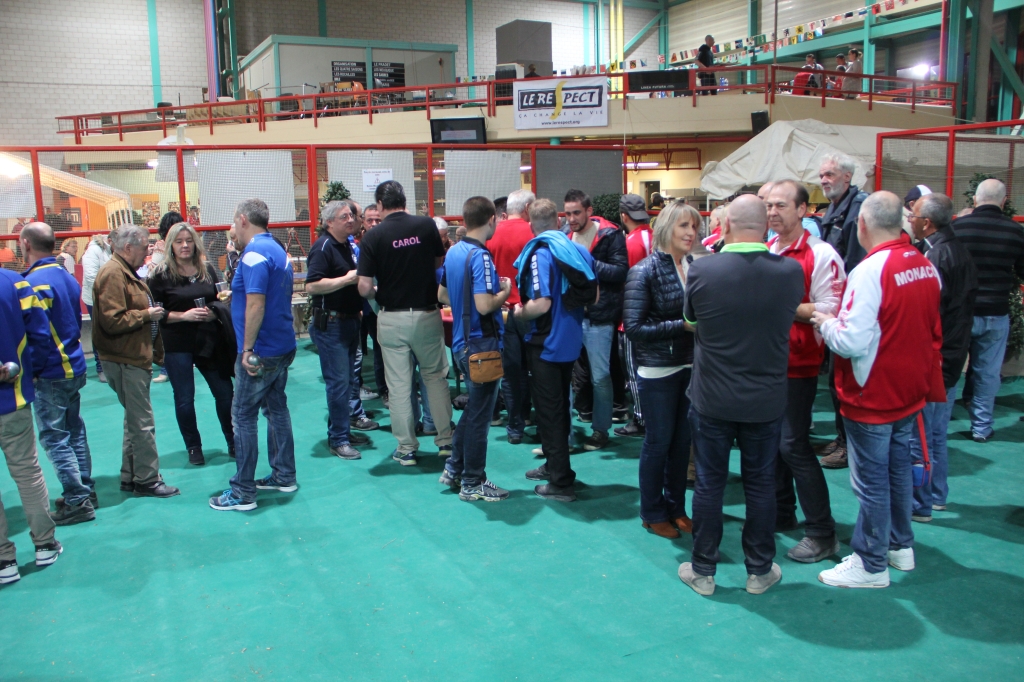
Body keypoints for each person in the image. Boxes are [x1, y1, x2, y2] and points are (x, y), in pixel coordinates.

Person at [813, 191, 944, 588]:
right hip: (909, 391)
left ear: (862, 224)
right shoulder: (924, 264)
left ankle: (870, 564)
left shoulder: (871, 271)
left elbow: (851, 341)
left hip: (872, 395)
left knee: (871, 482)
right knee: (897, 472)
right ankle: (900, 546)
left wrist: (825, 322)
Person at [677, 195, 804, 597]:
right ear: (765, 226)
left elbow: (690, 320)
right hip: (765, 399)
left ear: (726, 224)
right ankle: (759, 570)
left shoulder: (703, 270)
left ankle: (703, 570)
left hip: (712, 398)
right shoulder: (791, 272)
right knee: (761, 484)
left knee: (709, 484)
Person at [765, 181, 846, 562]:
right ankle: (783, 512)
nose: (772, 212)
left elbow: (831, 308)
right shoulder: (769, 248)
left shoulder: (821, 253)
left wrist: (780, 304)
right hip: (768, 363)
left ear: (802, 210)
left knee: (793, 445)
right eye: (768, 206)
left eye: (781, 205)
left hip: (799, 364)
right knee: (773, 444)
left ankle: (822, 532)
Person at [356, 180, 454, 467]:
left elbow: (364, 287)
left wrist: (379, 292)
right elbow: (438, 262)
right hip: (427, 314)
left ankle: (406, 448)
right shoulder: (426, 225)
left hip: (392, 318)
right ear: (404, 200)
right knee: (435, 378)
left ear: (380, 205)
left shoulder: (373, 237)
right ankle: (445, 441)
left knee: (399, 386)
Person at [210, 199, 297, 512]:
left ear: (243, 219)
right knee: (276, 409)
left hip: (262, 350)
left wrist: (247, 349)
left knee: (243, 416)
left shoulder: (254, 254)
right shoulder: (276, 249)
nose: (232, 228)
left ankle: (243, 492)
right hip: (282, 344)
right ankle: (284, 474)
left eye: (234, 222)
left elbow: (256, 304)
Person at [623, 201, 699, 539]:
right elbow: (633, 328)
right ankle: (652, 512)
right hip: (657, 370)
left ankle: (676, 508)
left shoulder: (693, 266)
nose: (691, 232)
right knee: (658, 443)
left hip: (690, 365)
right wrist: (680, 326)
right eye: (684, 225)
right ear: (667, 228)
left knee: (682, 444)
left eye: (694, 226)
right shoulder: (643, 271)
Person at [512, 199, 595, 502]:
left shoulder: (540, 253)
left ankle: (560, 483)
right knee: (559, 408)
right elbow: (594, 294)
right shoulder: (578, 250)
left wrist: (518, 313)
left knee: (550, 412)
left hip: (546, 344)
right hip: (570, 342)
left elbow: (541, 303)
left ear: (530, 224)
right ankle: (554, 466)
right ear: (558, 220)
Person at [92, 225, 179, 499]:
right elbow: (112, 320)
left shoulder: (122, 270)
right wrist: (146, 315)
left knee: (133, 419)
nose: (148, 253)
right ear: (128, 248)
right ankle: (148, 479)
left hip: (130, 357)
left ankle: (131, 476)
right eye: (144, 248)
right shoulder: (113, 274)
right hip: (125, 359)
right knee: (142, 422)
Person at [907, 193, 978, 521]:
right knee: (935, 433)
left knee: (923, 435)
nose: (909, 220)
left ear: (927, 223)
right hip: (952, 352)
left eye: (913, 215)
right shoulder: (957, 250)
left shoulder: (935, 257)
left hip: (937, 357)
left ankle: (922, 501)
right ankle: (936, 495)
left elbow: (929, 313)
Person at [20, 223, 95, 525]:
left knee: (55, 437)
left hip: (51, 370)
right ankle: (85, 489)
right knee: (74, 430)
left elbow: (38, 334)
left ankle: (77, 500)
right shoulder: (65, 275)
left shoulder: (33, 283)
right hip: (74, 364)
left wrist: (33, 370)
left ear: (26, 244)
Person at [438, 196, 512, 501]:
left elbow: (443, 294)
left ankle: (454, 468)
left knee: (474, 411)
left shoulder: (455, 252)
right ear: (492, 219)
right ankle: (472, 481)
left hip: (461, 343)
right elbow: (484, 305)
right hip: (481, 346)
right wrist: (505, 291)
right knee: (480, 417)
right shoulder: (480, 257)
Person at [148, 222, 235, 466]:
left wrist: (215, 312)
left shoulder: (207, 269)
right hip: (177, 343)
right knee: (185, 398)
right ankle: (193, 447)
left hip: (209, 341)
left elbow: (219, 298)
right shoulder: (159, 275)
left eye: (188, 241)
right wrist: (183, 316)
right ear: (171, 245)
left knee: (225, 393)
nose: (185, 245)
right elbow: (156, 313)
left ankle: (233, 440)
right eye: (179, 241)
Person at [0, 265, 63, 585]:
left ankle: (3, 561)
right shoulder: (14, 283)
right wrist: (29, 372)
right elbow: (39, 333)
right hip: (12, 399)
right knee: (27, 472)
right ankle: (45, 545)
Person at [953, 179, 1024, 442]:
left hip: (960, 314)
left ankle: (939, 424)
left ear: (975, 199)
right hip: (996, 312)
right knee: (988, 374)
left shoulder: (957, 228)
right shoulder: (1015, 232)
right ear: (1004, 202)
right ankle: (981, 427)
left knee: (950, 370)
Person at [306, 201, 372, 461]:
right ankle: (339, 440)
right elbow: (312, 286)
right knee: (338, 383)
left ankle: (342, 430)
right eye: (344, 216)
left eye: (352, 215)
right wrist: (347, 279)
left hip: (349, 322)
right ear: (329, 222)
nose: (351, 220)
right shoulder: (323, 247)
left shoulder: (347, 245)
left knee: (349, 382)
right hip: (331, 325)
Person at [817, 153, 869, 470]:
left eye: (830, 174)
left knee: (847, 381)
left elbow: (855, 267)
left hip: (850, 310)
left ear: (847, 177)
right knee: (837, 381)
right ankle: (842, 438)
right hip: (836, 308)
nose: (824, 180)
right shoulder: (836, 210)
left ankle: (850, 445)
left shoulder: (858, 210)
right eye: (821, 175)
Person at [564, 189, 628, 451]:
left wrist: (588, 262)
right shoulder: (566, 236)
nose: (571, 218)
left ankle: (601, 430)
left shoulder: (610, 235)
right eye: (567, 213)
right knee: (565, 377)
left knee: (600, 376)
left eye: (576, 213)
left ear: (589, 211)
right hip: (571, 315)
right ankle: (563, 435)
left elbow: (621, 271)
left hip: (599, 317)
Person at [486, 189, 536, 444]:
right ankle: (531, 417)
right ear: (527, 208)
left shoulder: (491, 234)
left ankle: (515, 425)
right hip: (530, 310)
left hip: (501, 311)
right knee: (537, 368)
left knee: (511, 371)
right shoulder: (534, 233)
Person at [617, 193, 656, 439]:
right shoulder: (656, 237)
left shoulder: (630, 242)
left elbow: (627, 282)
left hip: (633, 319)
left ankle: (641, 419)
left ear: (624, 216)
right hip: (657, 317)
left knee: (634, 371)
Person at [359, 204, 387, 405]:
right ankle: (382, 389)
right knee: (372, 350)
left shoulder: (389, 243)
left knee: (384, 349)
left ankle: (389, 389)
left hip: (386, 307)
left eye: (378, 219)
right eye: (370, 220)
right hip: (365, 309)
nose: (374, 223)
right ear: (363, 222)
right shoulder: (360, 247)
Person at [81, 231, 112, 383]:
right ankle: (101, 367)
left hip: (112, 298)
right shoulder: (93, 251)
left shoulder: (111, 250)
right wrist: (109, 293)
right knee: (99, 333)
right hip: (96, 300)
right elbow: (91, 277)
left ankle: (112, 365)